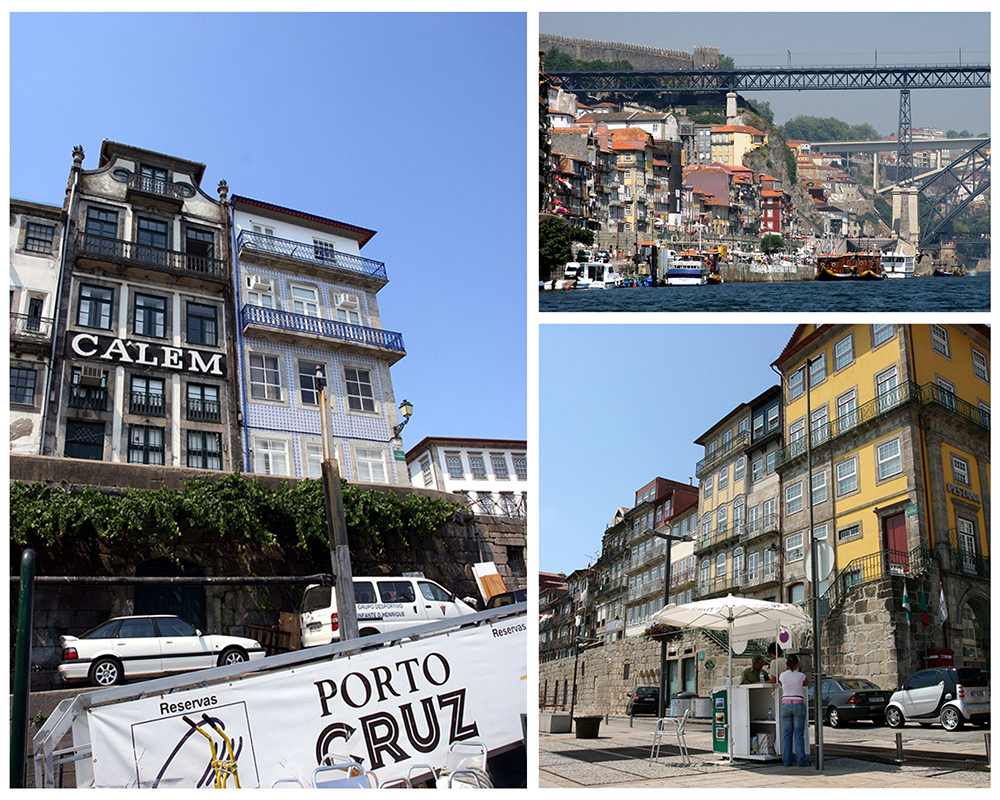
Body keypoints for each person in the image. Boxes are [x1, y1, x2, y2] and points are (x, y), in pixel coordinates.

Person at [779, 654, 810, 767]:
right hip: (798, 703)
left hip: (786, 704)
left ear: (787, 664)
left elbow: (782, 683)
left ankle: (787, 761)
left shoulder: (782, 675)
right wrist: (800, 670)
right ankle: (801, 760)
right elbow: (806, 684)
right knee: (798, 734)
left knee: (787, 734)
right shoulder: (801, 675)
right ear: (797, 664)